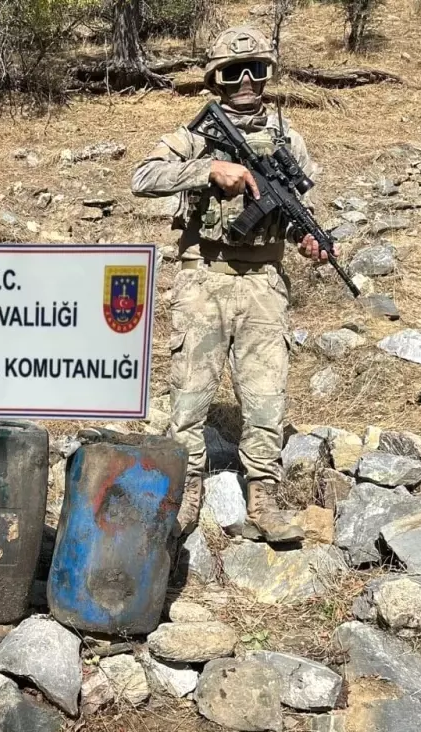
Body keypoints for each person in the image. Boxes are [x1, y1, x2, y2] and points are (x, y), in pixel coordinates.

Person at [131, 24, 333, 543]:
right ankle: (187, 489)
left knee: (266, 396)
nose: (246, 80)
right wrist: (207, 170)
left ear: (269, 73)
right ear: (214, 78)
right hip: (204, 279)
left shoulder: (289, 139)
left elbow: (297, 211)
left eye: (257, 69)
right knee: (190, 396)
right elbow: (143, 177)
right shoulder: (194, 135)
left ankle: (262, 494)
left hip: (264, 280)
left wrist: (309, 241)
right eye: (232, 71)